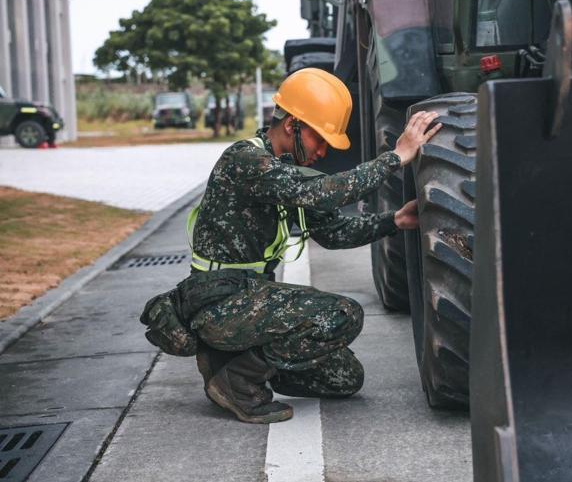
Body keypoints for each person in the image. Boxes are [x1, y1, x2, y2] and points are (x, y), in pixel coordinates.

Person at [141, 68, 441, 424]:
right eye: (320, 138)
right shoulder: (246, 161)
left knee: (344, 378)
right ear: (293, 125)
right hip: (216, 299)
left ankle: (229, 360)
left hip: (245, 297)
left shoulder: (285, 173)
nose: (323, 150)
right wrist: (395, 157)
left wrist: (393, 222)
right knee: (342, 314)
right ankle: (236, 380)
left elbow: (333, 233)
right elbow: (320, 192)